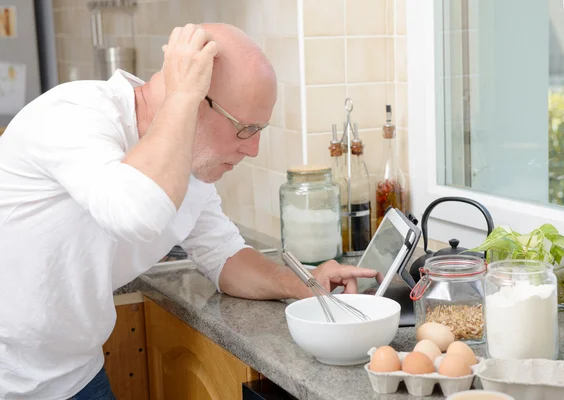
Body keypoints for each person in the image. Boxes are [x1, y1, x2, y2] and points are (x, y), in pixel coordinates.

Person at [0, 23, 380, 399]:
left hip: (75, 375)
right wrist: (181, 97)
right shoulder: (74, 115)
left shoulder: (191, 172)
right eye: (244, 128)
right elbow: (135, 213)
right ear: (194, 95)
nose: (253, 150)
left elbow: (225, 256)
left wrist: (299, 283)